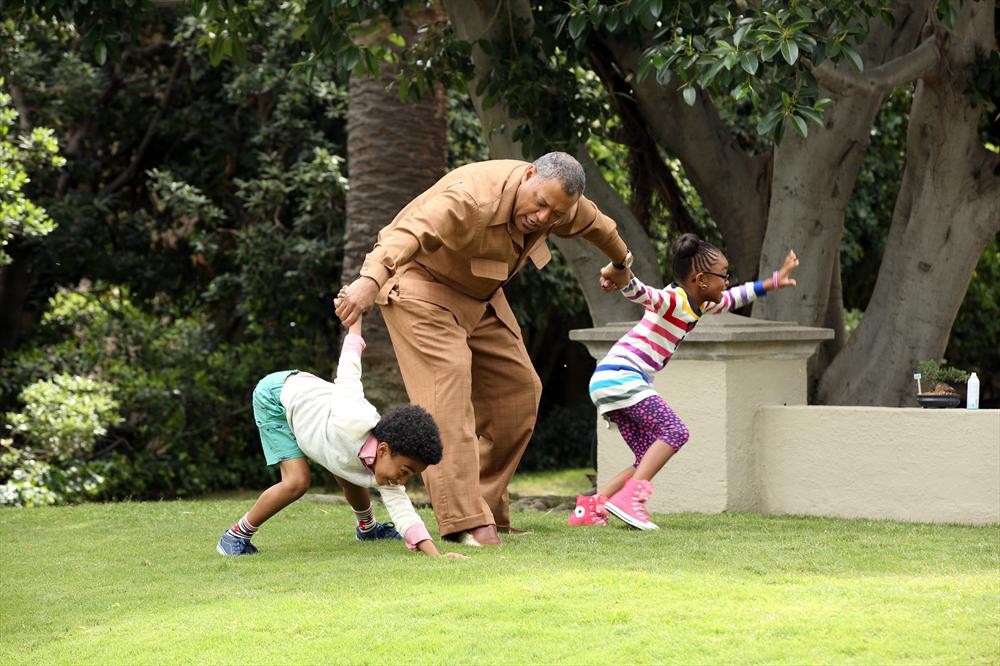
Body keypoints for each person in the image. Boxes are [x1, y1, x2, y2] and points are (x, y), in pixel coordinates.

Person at [335, 152, 634, 546]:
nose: (544, 219)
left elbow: (600, 226)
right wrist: (369, 281)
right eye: (541, 204)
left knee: (520, 389)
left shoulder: (562, 206)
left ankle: (485, 508)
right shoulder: (471, 198)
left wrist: (621, 264)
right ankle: (463, 522)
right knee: (448, 392)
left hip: (479, 294)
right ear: (529, 175)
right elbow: (405, 234)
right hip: (420, 286)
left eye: (556, 214)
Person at [568, 233, 800, 530]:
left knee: (647, 456)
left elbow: (734, 298)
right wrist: (622, 277)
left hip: (610, 382)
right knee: (675, 431)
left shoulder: (701, 303)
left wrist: (774, 281)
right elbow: (644, 294)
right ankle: (630, 501)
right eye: (723, 275)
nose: (727, 281)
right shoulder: (674, 299)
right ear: (701, 279)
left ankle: (592, 506)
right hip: (620, 375)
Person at [216, 312, 465, 558]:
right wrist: (355, 322)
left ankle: (367, 529)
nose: (403, 480)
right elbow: (349, 369)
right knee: (297, 481)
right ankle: (235, 536)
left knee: (350, 473)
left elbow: (404, 513)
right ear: (383, 450)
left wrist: (437, 557)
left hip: (317, 414)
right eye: (405, 471)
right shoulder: (353, 416)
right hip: (278, 398)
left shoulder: (387, 471)